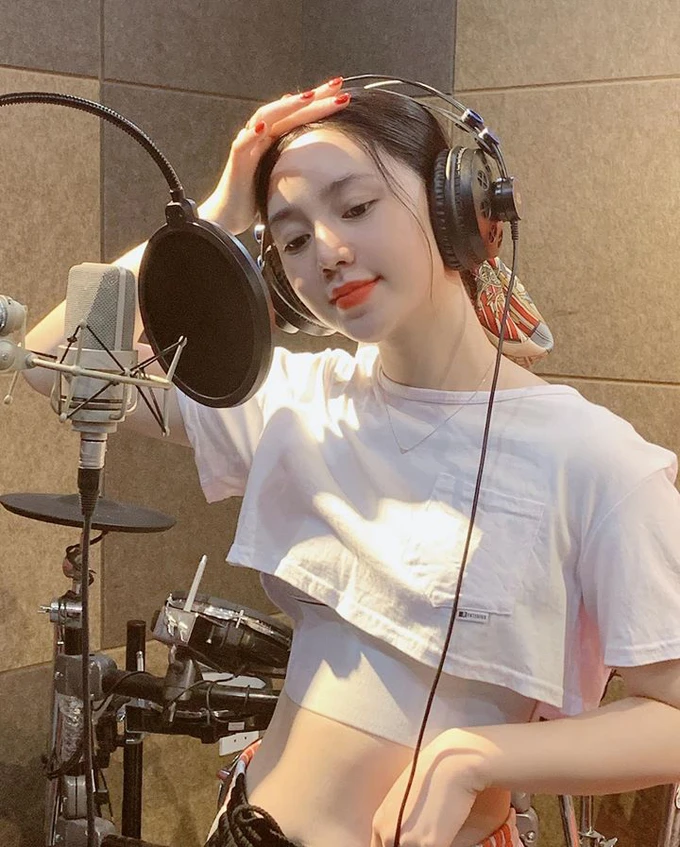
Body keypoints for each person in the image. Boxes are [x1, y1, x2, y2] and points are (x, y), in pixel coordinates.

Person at [24, 77, 680, 847]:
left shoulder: (594, 459)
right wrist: (216, 214)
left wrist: (479, 757)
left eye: (357, 207)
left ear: (456, 205)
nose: (329, 253)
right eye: (293, 239)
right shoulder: (296, 399)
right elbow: (57, 361)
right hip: (249, 829)